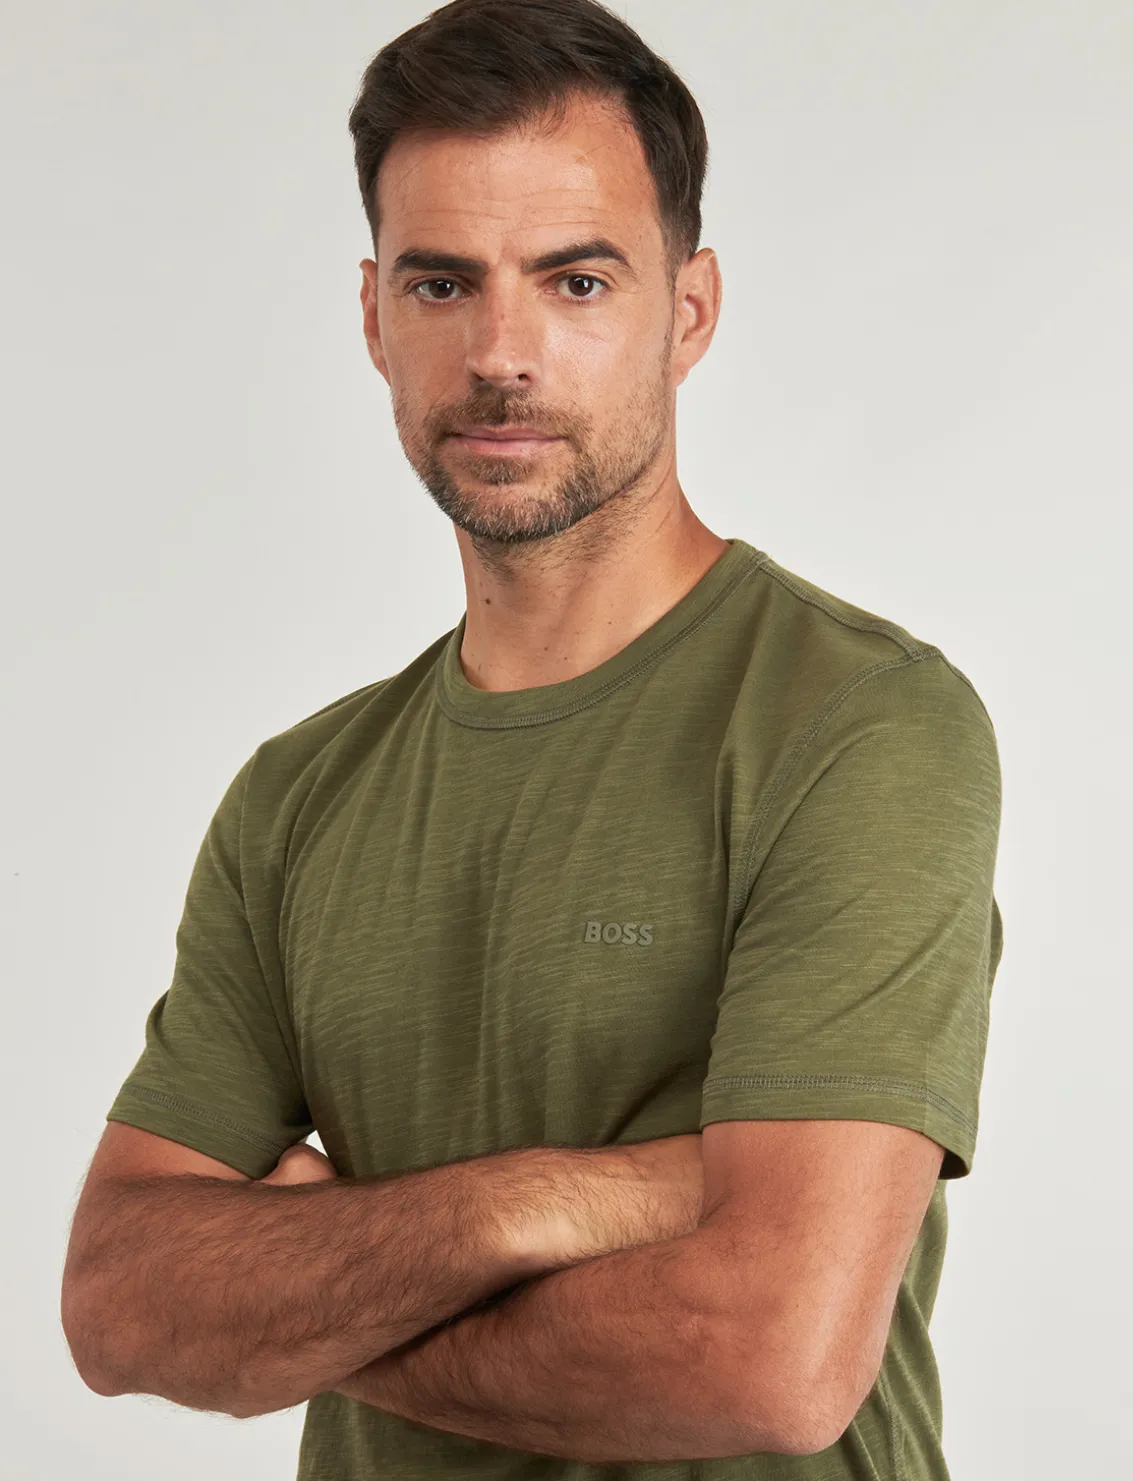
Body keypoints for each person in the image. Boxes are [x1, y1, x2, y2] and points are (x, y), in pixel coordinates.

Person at [60, 1, 1003, 1477]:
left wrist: (309, 1292)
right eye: (442, 284)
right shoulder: (297, 798)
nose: (501, 353)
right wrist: (536, 1206)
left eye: (576, 280)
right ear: (373, 317)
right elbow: (122, 1303)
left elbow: (770, 1361)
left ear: (688, 313)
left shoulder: (854, 723)